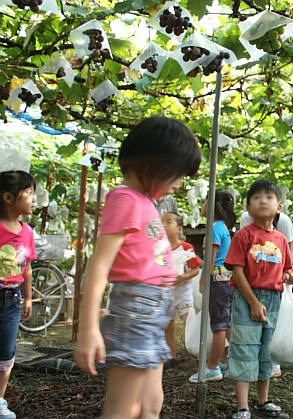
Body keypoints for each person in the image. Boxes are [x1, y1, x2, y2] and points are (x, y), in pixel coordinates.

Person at [74, 115, 201, 419]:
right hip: (136, 306)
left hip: (155, 307)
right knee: (124, 407)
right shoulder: (124, 199)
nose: (178, 185)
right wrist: (88, 326)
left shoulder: (145, 202)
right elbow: (100, 264)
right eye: (176, 175)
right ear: (154, 164)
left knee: (149, 404)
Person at [224, 179, 293, 419]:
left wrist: (291, 275)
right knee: (245, 349)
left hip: (274, 300)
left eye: (269, 196)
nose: (263, 201)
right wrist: (253, 303)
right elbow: (237, 270)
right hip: (249, 298)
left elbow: (286, 271)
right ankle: (243, 408)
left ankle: (263, 401)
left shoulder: (280, 239)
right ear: (248, 208)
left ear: (279, 207)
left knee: (266, 351)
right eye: (256, 197)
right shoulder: (243, 235)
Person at [0, 170, 37, 419]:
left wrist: (28, 297)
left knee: (6, 351)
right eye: (29, 194)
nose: (34, 199)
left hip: (12, 300)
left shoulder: (27, 232)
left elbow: (27, 268)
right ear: (8, 198)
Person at [189, 189, 236, 383]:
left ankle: (212, 367)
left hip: (217, 281)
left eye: (205, 201)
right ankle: (227, 360)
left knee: (219, 326)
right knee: (226, 323)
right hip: (226, 281)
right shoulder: (222, 227)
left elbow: (211, 257)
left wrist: (202, 279)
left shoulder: (215, 228)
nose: (202, 205)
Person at [162, 211, 202, 367]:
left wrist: (182, 278)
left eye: (168, 222)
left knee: (189, 321)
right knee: (168, 325)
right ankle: (171, 357)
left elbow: (195, 269)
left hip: (183, 291)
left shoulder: (185, 247)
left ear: (179, 229)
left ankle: (198, 353)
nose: (163, 225)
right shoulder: (159, 249)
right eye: (162, 222)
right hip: (166, 292)